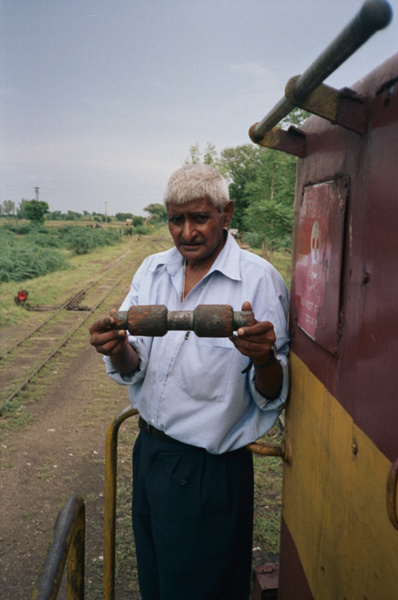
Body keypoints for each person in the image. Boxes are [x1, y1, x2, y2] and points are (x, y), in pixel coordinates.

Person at [89, 164, 289, 600]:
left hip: (209, 473)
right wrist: (115, 346)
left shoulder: (259, 281)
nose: (186, 232)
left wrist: (264, 359)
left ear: (226, 213)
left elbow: (272, 393)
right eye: (175, 219)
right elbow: (133, 364)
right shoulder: (151, 271)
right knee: (157, 582)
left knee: (203, 590)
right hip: (151, 454)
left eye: (199, 218)